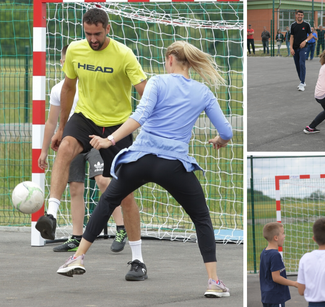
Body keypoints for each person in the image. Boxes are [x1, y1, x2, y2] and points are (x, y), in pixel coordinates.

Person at [56, 40, 233, 298]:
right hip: (173, 165)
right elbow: (226, 131)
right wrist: (220, 141)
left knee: (107, 201)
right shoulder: (203, 92)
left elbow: (140, 115)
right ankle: (213, 282)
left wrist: (110, 139)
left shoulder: (158, 82)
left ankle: (78, 257)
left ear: (171, 58)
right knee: (202, 219)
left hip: (141, 159)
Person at [35, 8, 147, 281]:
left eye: (97, 34)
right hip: (84, 117)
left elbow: (145, 92)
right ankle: (50, 215)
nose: (92, 39)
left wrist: (145, 127)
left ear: (107, 28)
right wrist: (61, 127)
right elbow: (68, 88)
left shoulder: (124, 54)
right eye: (88, 34)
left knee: (126, 194)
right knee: (65, 148)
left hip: (116, 127)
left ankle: (138, 260)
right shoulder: (75, 50)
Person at [38, 44, 127, 253]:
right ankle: (76, 237)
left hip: (93, 139)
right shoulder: (58, 89)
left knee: (104, 181)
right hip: (71, 142)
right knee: (75, 188)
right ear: (63, 63)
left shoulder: (90, 85)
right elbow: (51, 122)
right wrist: (43, 150)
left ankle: (121, 228)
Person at [260, 222, 299, 307]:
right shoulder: (275, 255)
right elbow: (276, 277)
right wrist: (294, 283)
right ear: (276, 238)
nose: (284, 236)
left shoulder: (264, 252)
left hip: (266, 296)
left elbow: (261, 273)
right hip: (275, 297)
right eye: (283, 233)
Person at [290, 10, 313, 92]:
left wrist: (305, 41)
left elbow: (311, 35)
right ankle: (302, 80)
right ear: (296, 15)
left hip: (303, 48)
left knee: (301, 63)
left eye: (301, 15)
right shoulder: (293, 25)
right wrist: (291, 48)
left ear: (303, 16)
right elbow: (291, 37)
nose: (300, 16)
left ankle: (302, 83)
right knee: (297, 65)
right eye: (298, 15)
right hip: (295, 48)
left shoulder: (306, 25)